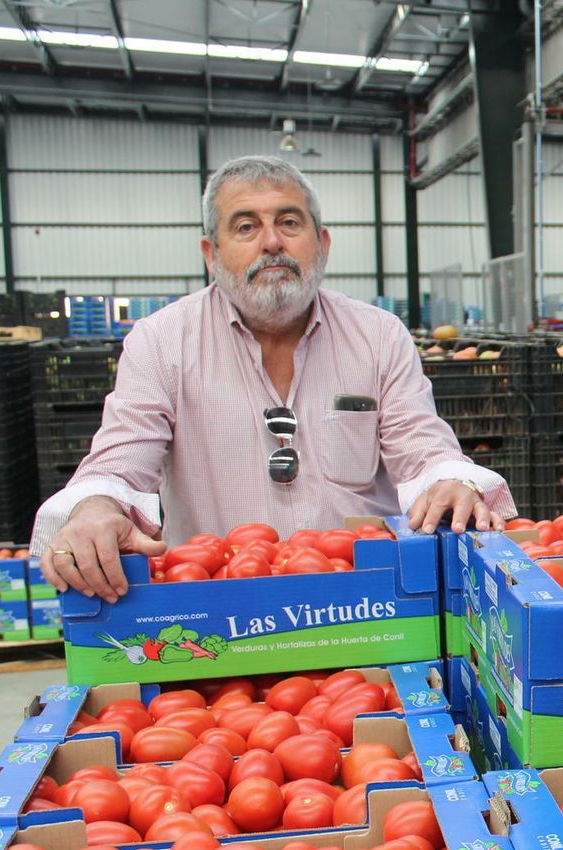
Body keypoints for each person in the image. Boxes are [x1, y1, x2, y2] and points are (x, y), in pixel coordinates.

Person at [32, 155, 515, 603]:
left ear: (322, 243)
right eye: (246, 226)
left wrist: (452, 480)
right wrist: (96, 506)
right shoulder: (161, 341)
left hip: (364, 601)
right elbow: (122, 453)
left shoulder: (378, 336)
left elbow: (421, 444)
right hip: (219, 604)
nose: (272, 243)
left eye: (289, 222)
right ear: (211, 253)